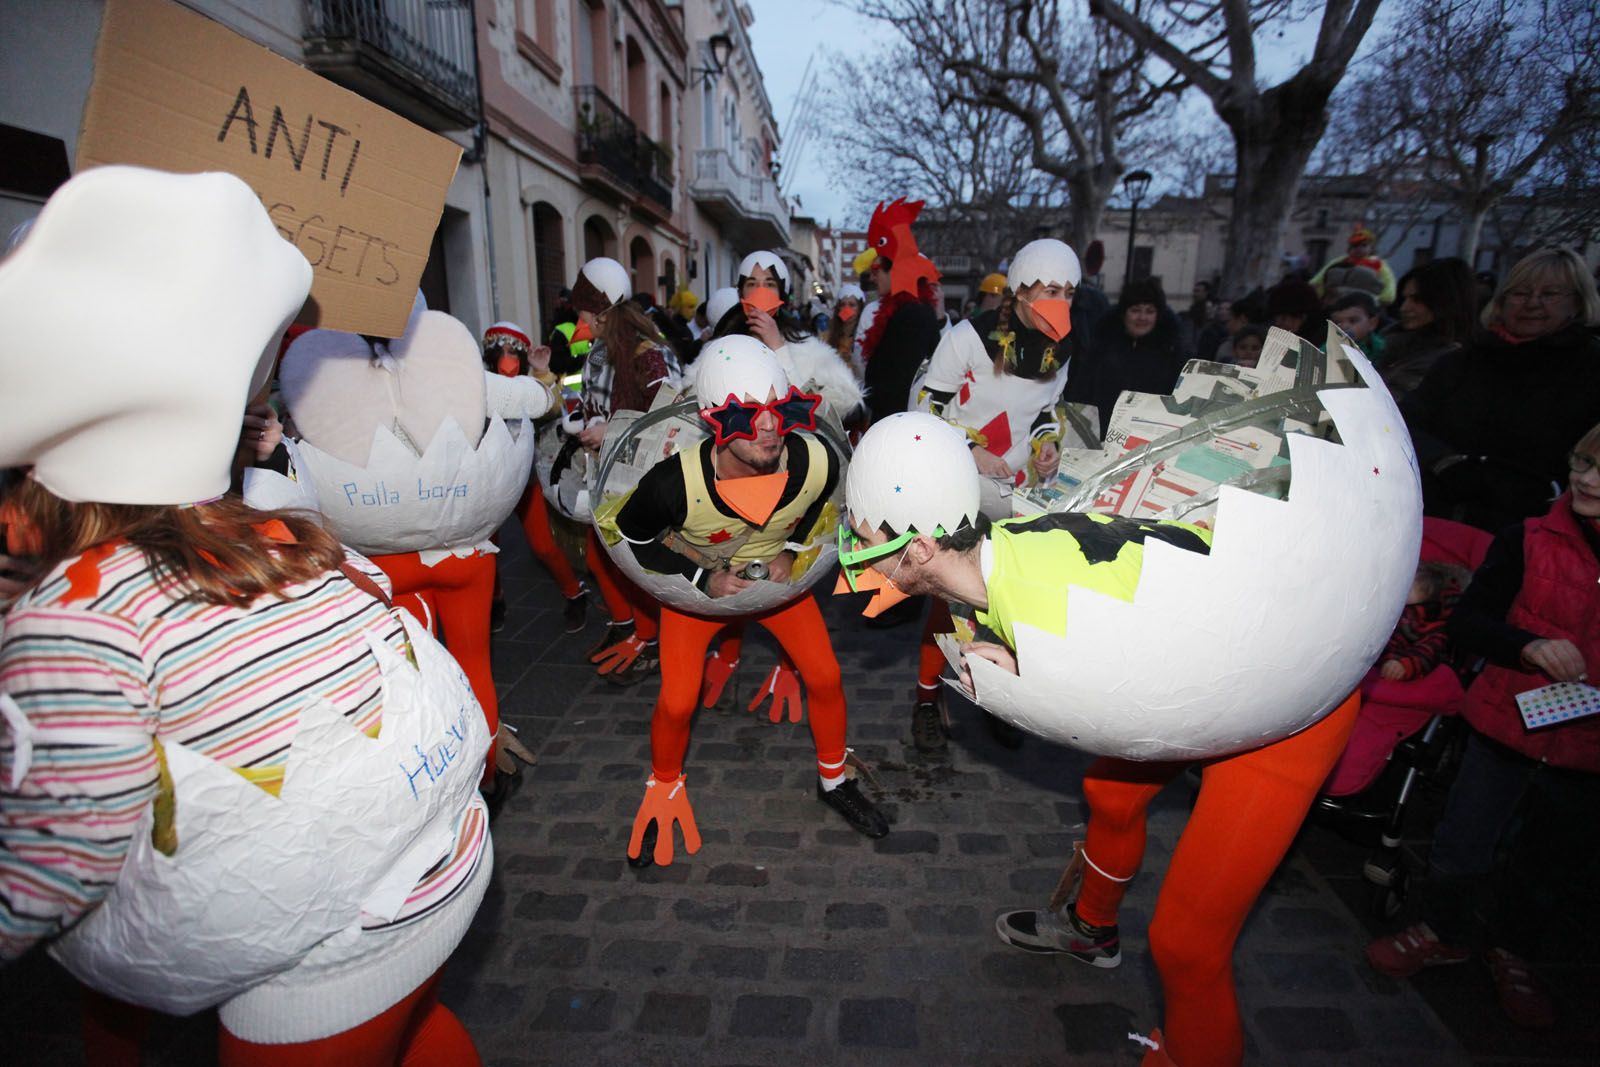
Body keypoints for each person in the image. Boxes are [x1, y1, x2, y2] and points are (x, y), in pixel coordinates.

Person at [0, 165, 490, 1065]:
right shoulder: (278, 529)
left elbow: (55, 859)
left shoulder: (76, 616)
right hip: (450, 854)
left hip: (338, 942)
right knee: (412, 1031)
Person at [837, 412, 1362, 1067]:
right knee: (1108, 794)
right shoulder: (993, 564)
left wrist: (1025, 657)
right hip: (1188, 677)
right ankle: (1093, 930)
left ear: (917, 550)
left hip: (1281, 702)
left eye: (862, 537)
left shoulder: (1035, 596)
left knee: (1186, 945)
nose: (852, 552)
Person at [613, 336, 889, 867]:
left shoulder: (814, 459)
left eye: (776, 408)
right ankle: (663, 787)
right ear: (715, 419)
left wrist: (789, 549)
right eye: (746, 413)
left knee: (826, 677)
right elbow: (632, 538)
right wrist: (700, 575)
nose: (768, 425)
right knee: (676, 701)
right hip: (697, 597)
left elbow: (816, 507)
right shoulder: (673, 482)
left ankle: (833, 780)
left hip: (773, 592)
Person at [1366, 423, 1600, 1030]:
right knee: (1463, 838)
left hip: (1587, 746)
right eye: (1581, 461)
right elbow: (1470, 622)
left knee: (1550, 858)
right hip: (1505, 720)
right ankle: (1443, 930)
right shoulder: (1529, 539)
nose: (1586, 479)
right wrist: (1527, 646)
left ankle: (1514, 950)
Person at [906, 238, 1086, 750]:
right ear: (1022, 291)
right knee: (949, 600)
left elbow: (1050, 411)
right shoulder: (968, 338)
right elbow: (924, 402)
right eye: (1051, 289)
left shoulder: (1063, 347)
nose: (1061, 301)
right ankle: (924, 698)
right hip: (959, 485)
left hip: (1019, 492)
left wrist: (1048, 444)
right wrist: (966, 447)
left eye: (1070, 291)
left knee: (1013, 600)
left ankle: (999, 692)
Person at [1403, 248, 1600, 532]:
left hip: (1539, 535)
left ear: (1577, 302)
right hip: (1437, 522)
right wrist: (1446, 464)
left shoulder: (1591, 369)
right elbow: (1405, 423)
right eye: (1520, 293)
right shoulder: (1461, 362)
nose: (1532, 303)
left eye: (1550, 294)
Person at [563, 257, 683, 684]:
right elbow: (586, 394)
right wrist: (575, 418)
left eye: (582, 312)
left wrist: (608, 430)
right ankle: (632, 630)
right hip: (607, 474)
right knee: (603, 559)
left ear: (601, 312)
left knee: (632, 562)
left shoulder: (648, 355)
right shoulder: (600, 349)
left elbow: (670, 419)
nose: (577, 321)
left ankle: (649, 641)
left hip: (643, 482)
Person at [483, 322, 589, 634]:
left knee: (543, 545)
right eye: (501, 352)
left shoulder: (530, 384)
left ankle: (574, 593)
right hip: (489, 480)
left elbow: (556, 405)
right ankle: (495, 600)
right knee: (487, 549)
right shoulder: (478, 383)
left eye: (513, 352)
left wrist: (542, 372)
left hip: (524, 478)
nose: (507, 359)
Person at [857, 198, 944, 426]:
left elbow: (901, 385)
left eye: (877, 269)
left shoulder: (913, 315)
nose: (872, 277)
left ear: (894, 270)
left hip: (900, 426)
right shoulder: (902, 310)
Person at [1077, 278, 1189, 432]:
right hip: (1100, 436)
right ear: (1124, 313)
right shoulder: (1102, 348)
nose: (1142, 318)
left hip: (1147, 439)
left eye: (1150, 311)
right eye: (1135, 310)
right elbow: (1081, 394)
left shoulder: (1172, 353)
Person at [1379, 257, 1475, 400]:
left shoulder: (1454, 363)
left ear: (1445, 301)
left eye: (1417, 300)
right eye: (1404, 299)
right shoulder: (1384, 342)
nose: (1405, 308)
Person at [1311, 225, 1396, 306]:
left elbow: (1389, 282)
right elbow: (1320, 278)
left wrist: (1383, 299)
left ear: (1371, 248)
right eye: (1355, 246)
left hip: (1366, 301)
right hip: (1339, 300)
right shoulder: (1341, 261)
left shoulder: (1378, 264)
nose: (1359, 249)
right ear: (1349, 248)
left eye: (1363, 245)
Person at [1326, 291, 1387, 365]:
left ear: (1372, 323)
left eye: (1353, 321)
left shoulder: (1381, 349)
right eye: (1337, 323)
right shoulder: (1329, 346)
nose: (1344, 327)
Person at [824, 281, 866, 365]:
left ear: (860, 309)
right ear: (838, 308)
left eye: (852, 305)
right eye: (843, 304)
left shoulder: (865, 338)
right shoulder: (825, 338)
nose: (846, 309)